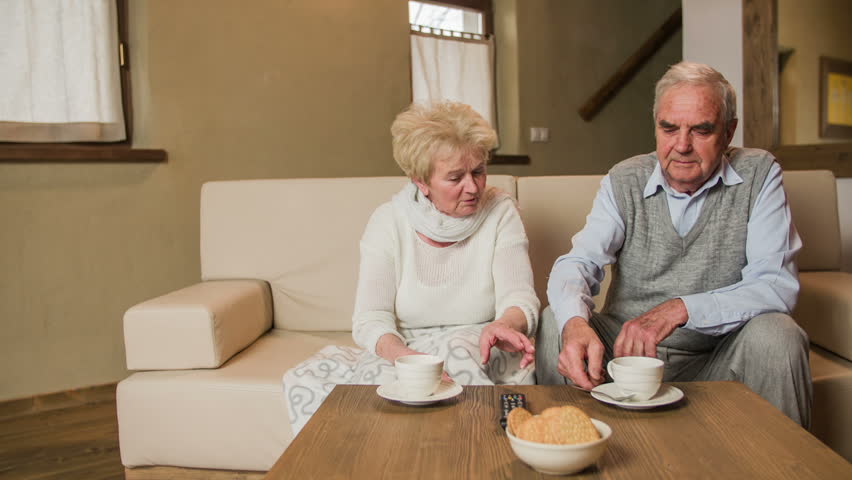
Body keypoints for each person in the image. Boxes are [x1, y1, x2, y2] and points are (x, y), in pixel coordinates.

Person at [536, 61, 812, 428]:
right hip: (623, 357)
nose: (681, 146)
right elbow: (579, 262)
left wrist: (681, 309)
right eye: (669, 128)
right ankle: (567, 442)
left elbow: (775, 286)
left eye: (701, 130)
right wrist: (575, 322)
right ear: (656, 126)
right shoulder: (625, 179)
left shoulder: (760, 174)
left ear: (728, 133)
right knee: (555, 320)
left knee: (779, 335)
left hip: (715, 359)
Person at [284, 101, 540, 434]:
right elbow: (370, 319)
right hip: (406, 349)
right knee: (330, 387)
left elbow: (520, 297)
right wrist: (408, 360)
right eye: (455, 177)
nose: (473, 187)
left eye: (478, 171)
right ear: (421, 181)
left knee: (456, 357)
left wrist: (505, 323)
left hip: (482, 342)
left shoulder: (501, 211)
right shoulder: (388, 221)